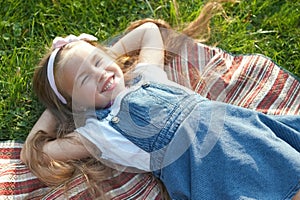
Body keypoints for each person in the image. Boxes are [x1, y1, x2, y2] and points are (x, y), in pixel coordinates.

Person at [21, 5, 300, 200]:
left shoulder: (145, 76)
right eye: (84, 80)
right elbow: (34, 153)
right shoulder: (97, 135)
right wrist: (57, 110)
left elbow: (149, 32)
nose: (100, 74)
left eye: (98, 62)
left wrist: (107, 58)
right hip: (205, 167)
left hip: (236, 129)